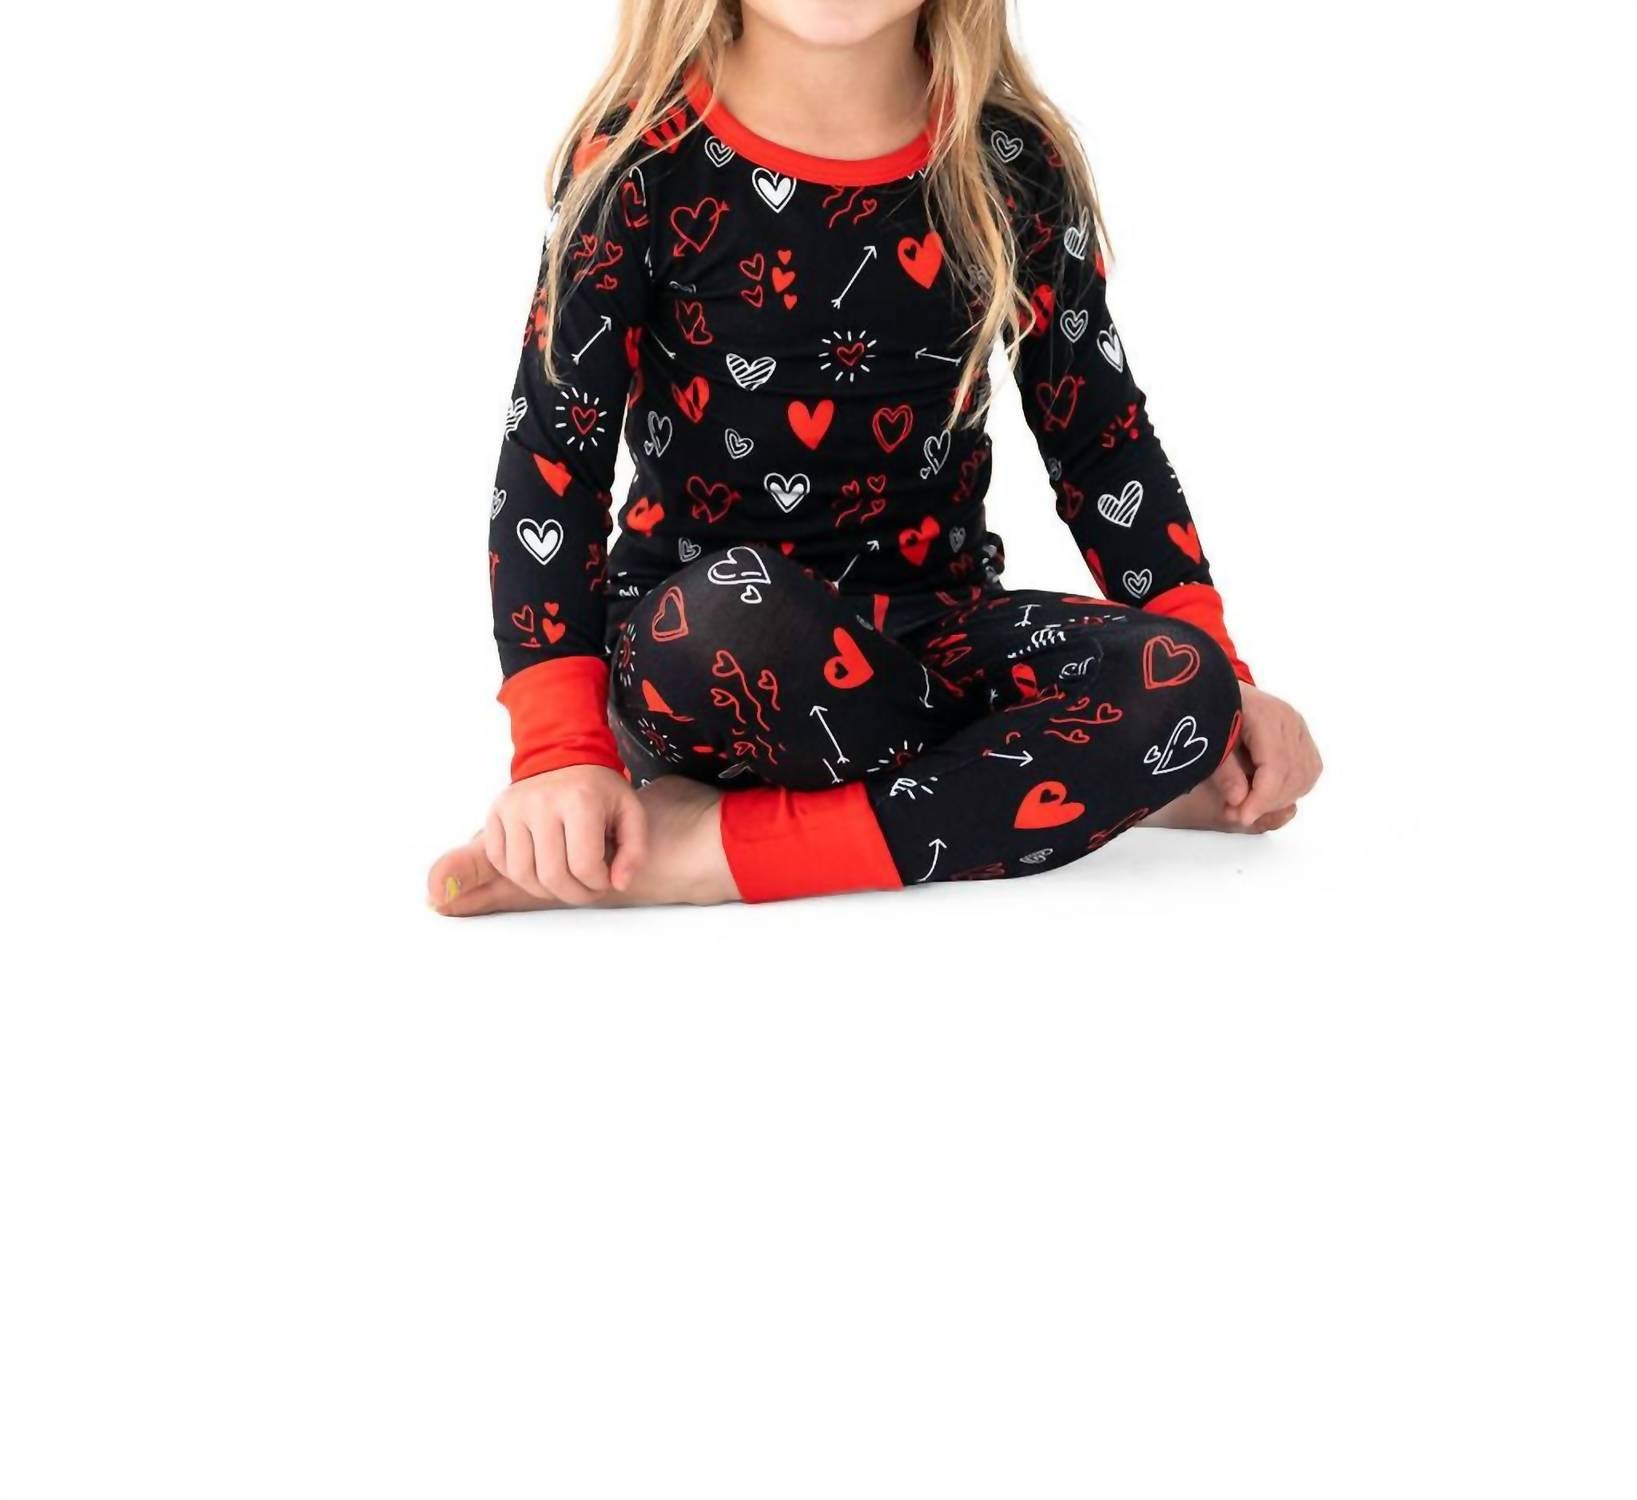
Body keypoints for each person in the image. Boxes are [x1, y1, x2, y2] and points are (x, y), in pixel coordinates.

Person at [428, 0, 1322, 914]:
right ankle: (1044, 780)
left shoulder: (1010, 160)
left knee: (1183, 685)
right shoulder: (641, 160)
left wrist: (1223, 677)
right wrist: (560, 756)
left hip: (935, 636)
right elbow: (552, 460)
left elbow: (1101, 443)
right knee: (736, 610)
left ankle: (706, 853)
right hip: (712, 650)